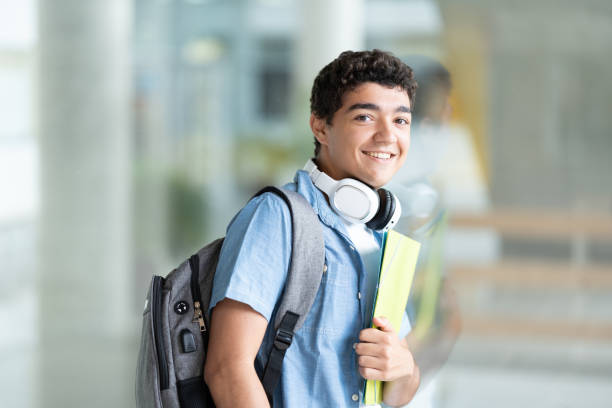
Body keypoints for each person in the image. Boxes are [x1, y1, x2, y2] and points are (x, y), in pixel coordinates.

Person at [204, 50, 420, 408]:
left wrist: (403, 369)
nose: (387, 136)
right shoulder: (277, 217)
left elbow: (397, 392)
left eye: (400, 121)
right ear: (320, 126)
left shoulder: (379, 234)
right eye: (365, 117)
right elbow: (228, 369)